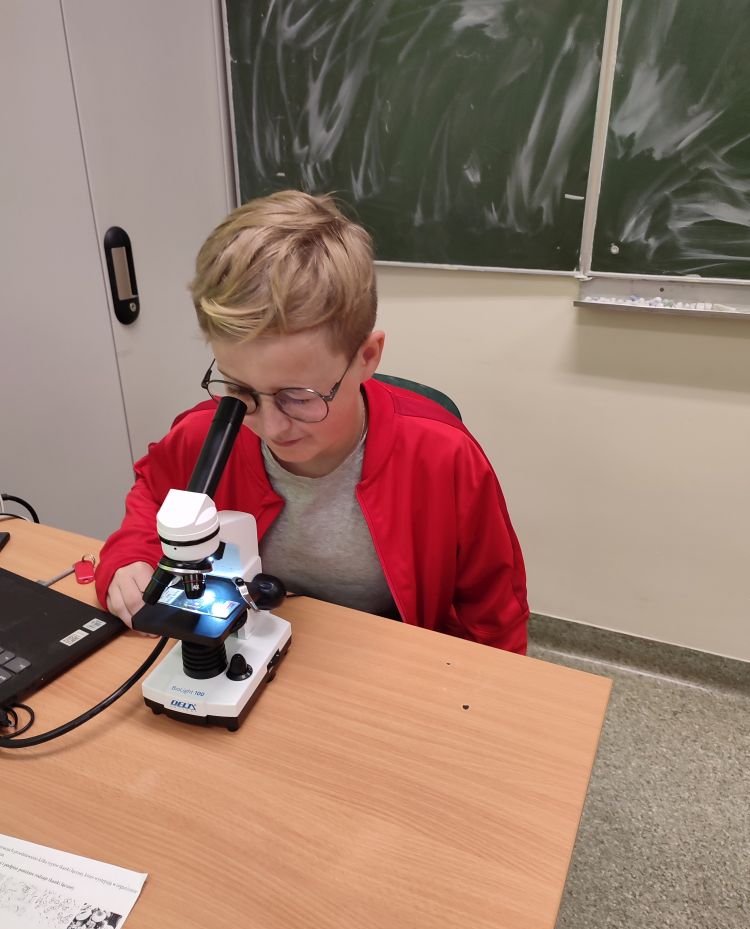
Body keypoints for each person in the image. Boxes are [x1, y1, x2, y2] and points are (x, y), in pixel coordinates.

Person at [95, 191, 528, 653]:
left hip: (391, 661)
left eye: (298, 397)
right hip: (257, 646)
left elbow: (494, 616)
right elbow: (153, 493)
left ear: (366, 357)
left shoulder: (445, 457)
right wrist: (130, 557)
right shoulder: (202, 435)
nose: (271, 428)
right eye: (241, 391)